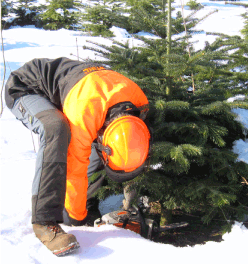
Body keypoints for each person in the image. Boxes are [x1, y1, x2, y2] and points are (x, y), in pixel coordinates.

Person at [5, 57, 151, 257]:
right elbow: (75, 170)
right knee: (55, 129)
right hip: (26, 87)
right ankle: (44, 221)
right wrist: (77, 220)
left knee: (91, 150)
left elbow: (130, 144)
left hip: (82, 90)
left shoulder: (139, 103)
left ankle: (87, 202)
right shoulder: (84, 114)